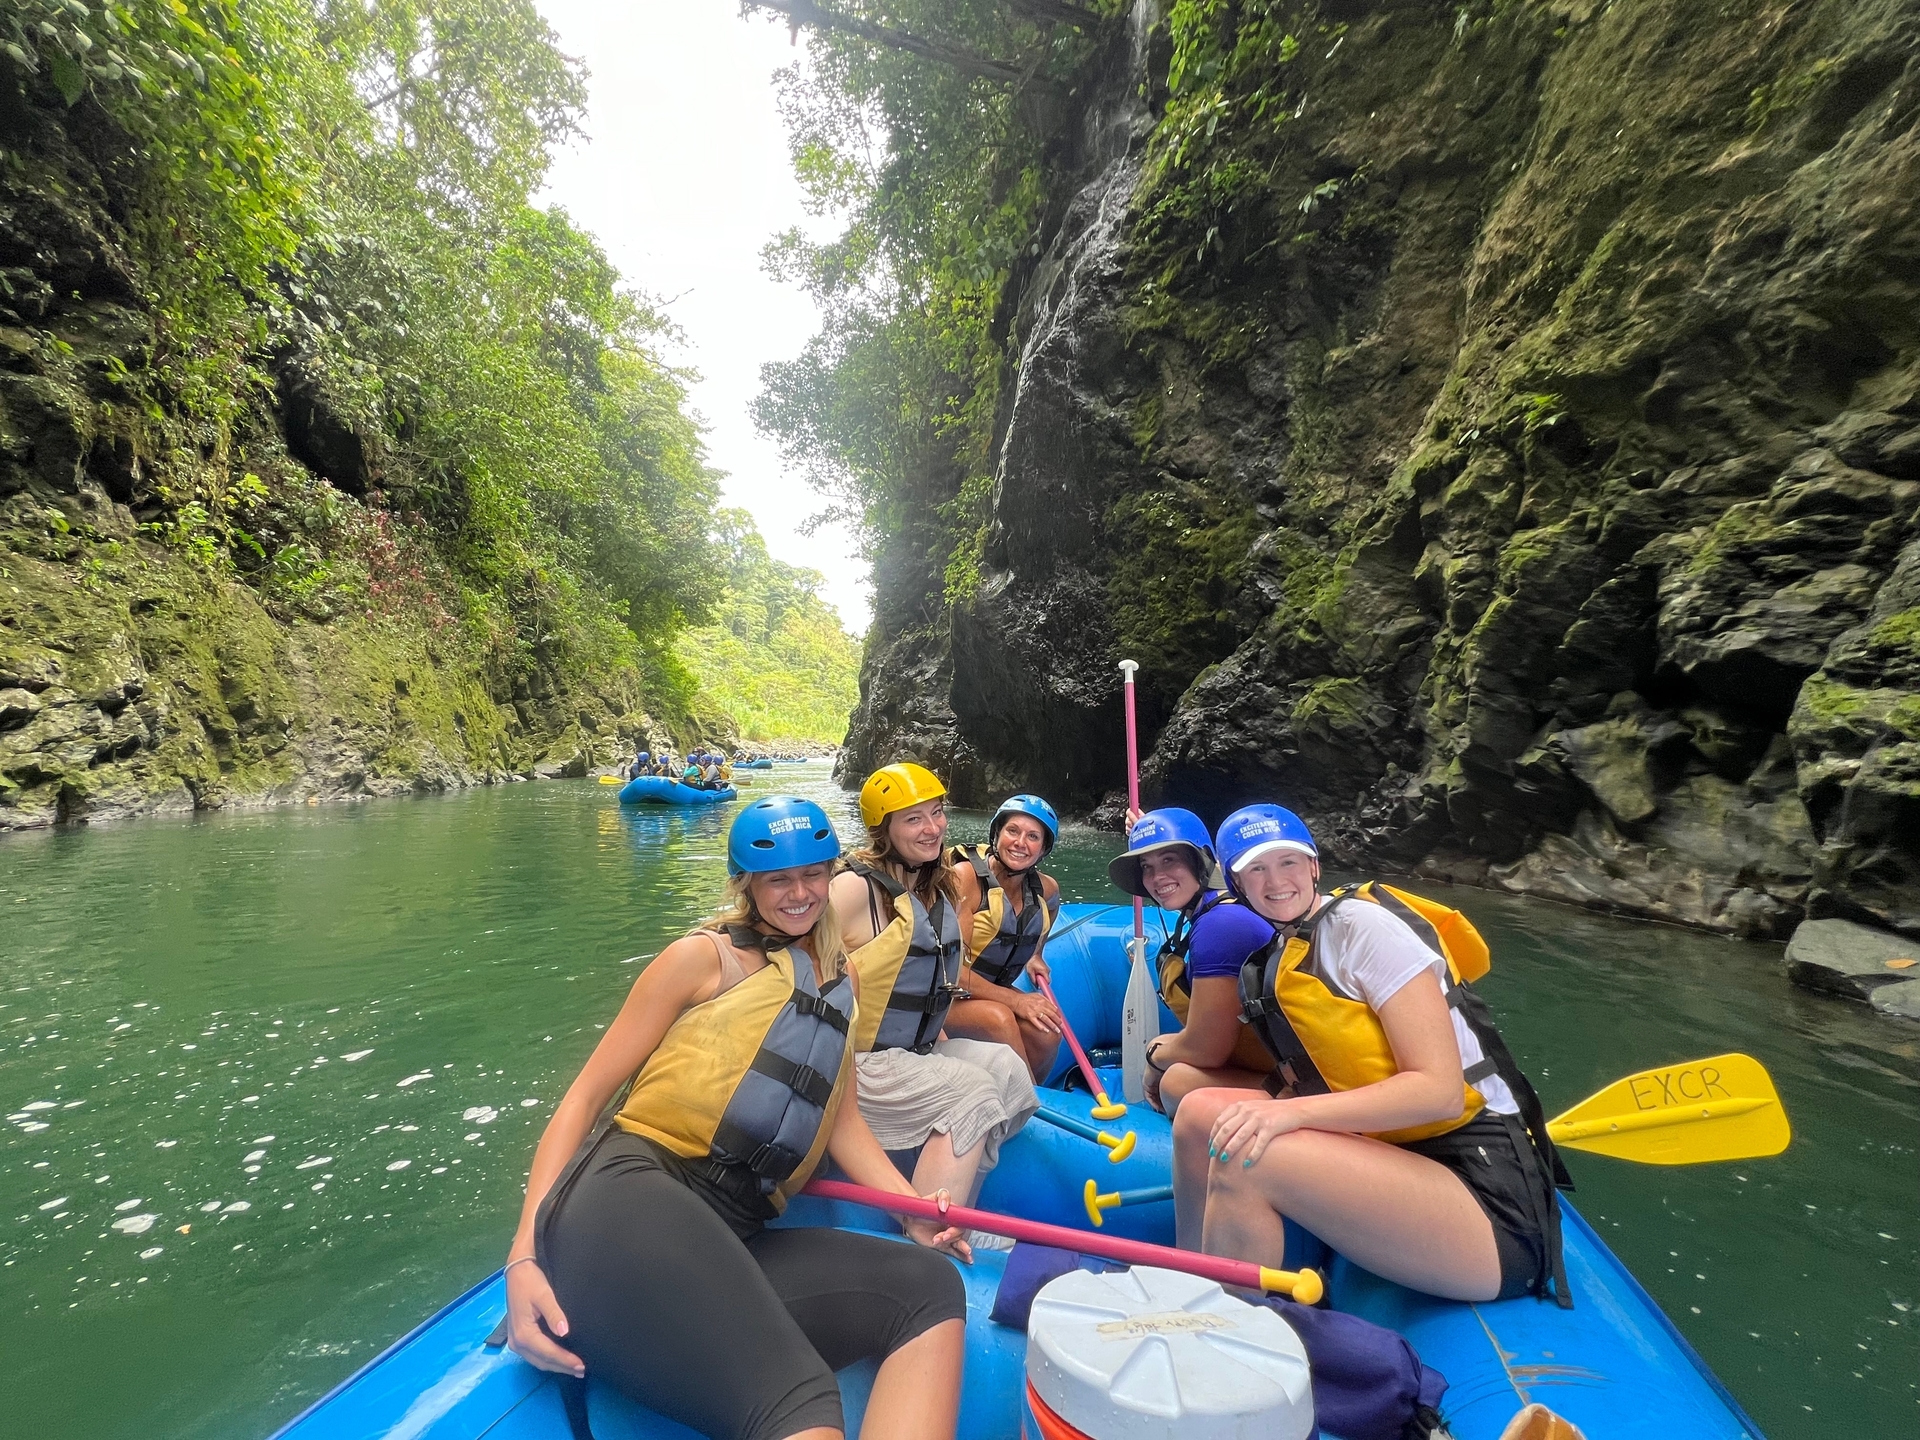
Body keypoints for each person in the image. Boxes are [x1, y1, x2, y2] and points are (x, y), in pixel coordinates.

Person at [502, 795, 969, 1440]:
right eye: (778, 879)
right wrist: (523, 1256)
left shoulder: (843, 983)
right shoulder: (701, 959)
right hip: (635, 1196)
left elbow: (842, 1123)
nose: (800, 893)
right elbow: (582, 1101)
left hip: (735, 1228)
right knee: (801, 1401)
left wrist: (911, 1210)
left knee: (930, 1288)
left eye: (814, 874)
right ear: (746, 884)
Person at [1178, 803, 1571, 1307]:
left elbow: (1440, 1093)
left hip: (1486, 1197)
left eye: (1288, 862)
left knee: (1245, 1156)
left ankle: (1223, 1327)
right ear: (1237, 884)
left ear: (1314, 866)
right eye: (1256, 868)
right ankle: (1190, 1281)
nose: (1275, 881)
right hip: (1400, 1153)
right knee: (1198, 1114)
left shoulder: (1365, 928)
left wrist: (1288, 1114)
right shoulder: (1291, 945)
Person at [830, 762, 1039, 1249]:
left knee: (1008, 1071)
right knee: (972, 1090)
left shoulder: (934, 884)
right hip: (858, 1064)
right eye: (913, 819)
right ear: (883, 829)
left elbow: (930, 976)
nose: (932, 828)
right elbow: (797, 957)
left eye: (937, 813)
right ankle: (928, 1230)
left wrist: (934, 1026)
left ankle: (957, 1211)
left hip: (911, 1051)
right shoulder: (856, 888)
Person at [1107, 807, 1277, 1118]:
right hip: (1272, 1061)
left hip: (1305, 1078)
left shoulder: (1220, 925)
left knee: (1177, 1083)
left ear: (1200, 861)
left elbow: (1206, 1050)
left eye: (1169, 860)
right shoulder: (1222, 905)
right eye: (1146, 866)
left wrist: (1154, 1057)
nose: (1157, 877)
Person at [943, 794, 1065, 1081]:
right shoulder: (966, 879)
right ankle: (1030, 1098)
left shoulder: (1045, 888)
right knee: (1000, 1019)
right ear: (997, 834)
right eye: (1013, 831)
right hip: (945, 997)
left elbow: (1052, 905)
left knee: (1048, 1031)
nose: (1020, 842)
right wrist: (1016, 1001)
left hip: (989, 990)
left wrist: (1036, 954)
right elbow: (951, 972)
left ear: (1043, 849)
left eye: (1033, 837)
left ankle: (1028, 1091)